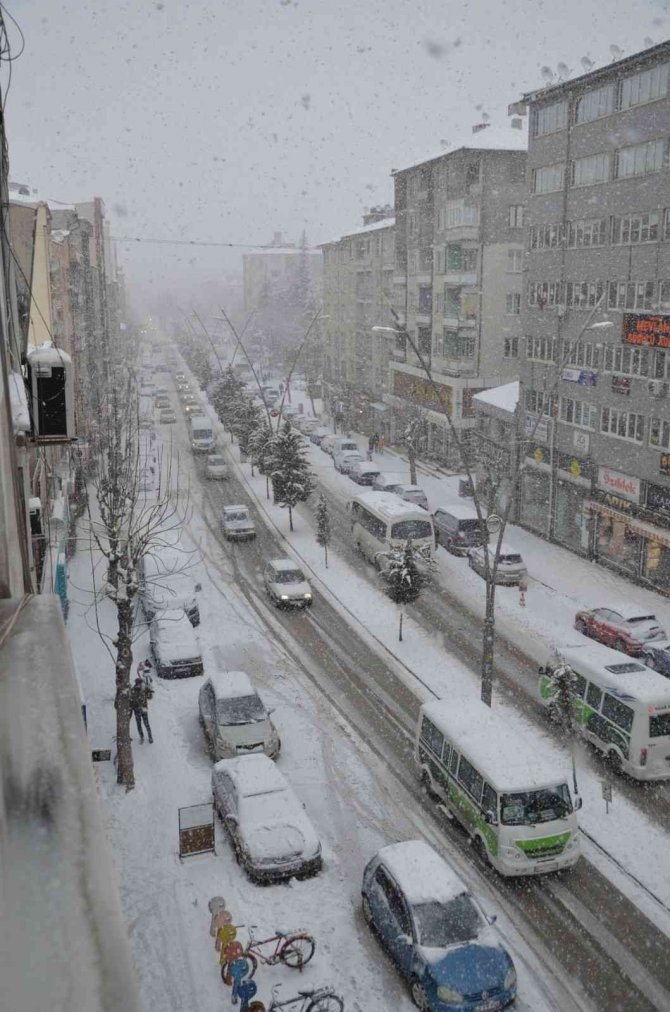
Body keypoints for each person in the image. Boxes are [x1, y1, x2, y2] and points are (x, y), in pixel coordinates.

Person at [129, 676, 154, 743]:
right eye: (140, 683)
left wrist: (150, 692)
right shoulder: (132, 691)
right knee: (139, 724)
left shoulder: (144, 689)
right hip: (136, 710)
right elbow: (130, 702)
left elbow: (150, 697)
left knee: (146, 724)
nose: (141, 684)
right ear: (137, 683)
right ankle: (142, 737)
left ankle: (150, 737)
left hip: (144, 709)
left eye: (141, 683)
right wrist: (131, 710)